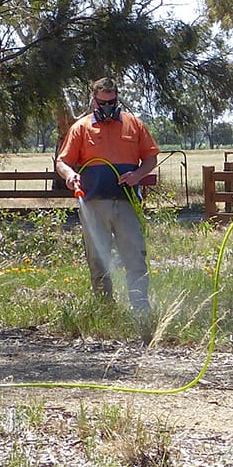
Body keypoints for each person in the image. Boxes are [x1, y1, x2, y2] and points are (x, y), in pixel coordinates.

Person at [56, 77, 160, 313]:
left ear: (117, 98)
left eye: (111, 102)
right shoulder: (81, 128)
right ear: (94, 100)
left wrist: (137, 174)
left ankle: (140, 309)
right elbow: (62, 162)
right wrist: (70, 175)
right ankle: (105, 310)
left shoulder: (134, 124)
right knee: (98, 259)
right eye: (102, 103)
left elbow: (151, 158)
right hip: (93, 205)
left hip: (127, 203)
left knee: (135, 257)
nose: (107, 107)